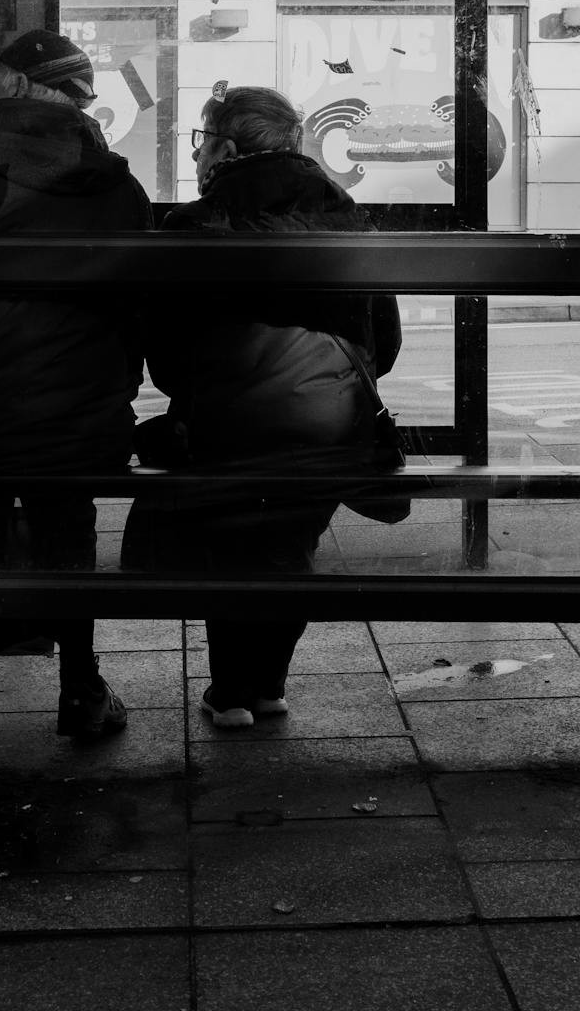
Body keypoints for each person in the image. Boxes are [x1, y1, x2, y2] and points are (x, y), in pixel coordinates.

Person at [123, 84, 400, 729]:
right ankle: (264, 685)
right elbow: (381, 340)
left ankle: (232, 692)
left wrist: (202, 391)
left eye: (200, 141)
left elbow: (164, 354)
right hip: (332, 425)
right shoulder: (348, 217)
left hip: (227, 426)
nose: (195, 158)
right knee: (286, 543)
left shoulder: (193, 225)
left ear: (222, 146)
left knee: (237, 543)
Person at [0, 29, 151, 740]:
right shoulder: (114, 183)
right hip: (77, 406)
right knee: (68, 533)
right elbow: (136, 303)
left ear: (11, 87)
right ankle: (80, 690)